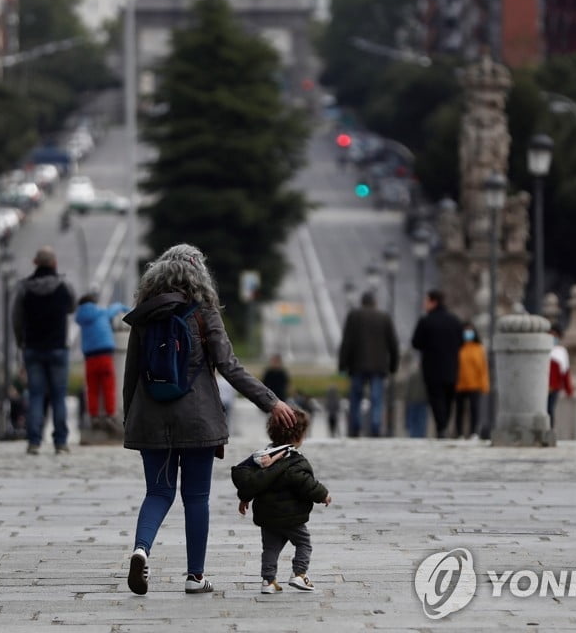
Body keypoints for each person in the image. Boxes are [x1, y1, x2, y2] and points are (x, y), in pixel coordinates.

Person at [121, 244, 297, 596]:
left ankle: (141, 550)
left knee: (158, 492)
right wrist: (271, 401)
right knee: (196, 498)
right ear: (199, 275)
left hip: (152, 419)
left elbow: (131, 374)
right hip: (197, 419)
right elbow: (230, 368)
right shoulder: (203, 313)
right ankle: (195, 577)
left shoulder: (144, 314)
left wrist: (131, 419)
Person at [231, 409, 331, 594]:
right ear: (300, 435)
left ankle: (268, 581)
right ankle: (299, 574)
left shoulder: (263, 458)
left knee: (270, 548)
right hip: (291, 517)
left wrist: (244, 498)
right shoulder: (294, 462)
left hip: (267, 516)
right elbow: (307, 484)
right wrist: (323, 495)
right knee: (303, 543)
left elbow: (256, 482)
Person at [12, 246, 77, 455]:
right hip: (58, 347)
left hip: (32, 347)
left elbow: (16, 318)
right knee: (59, 396)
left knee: (36, 395)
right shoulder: (63, 285)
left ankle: (34, 441)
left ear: (35, 263)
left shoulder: (24, 288)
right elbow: (72, 306)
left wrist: (20, 340)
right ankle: (60, 442)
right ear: (54, 264)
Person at [338, 291, 399, 437]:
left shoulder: (354, 316)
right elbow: (393, 344)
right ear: (374, 302)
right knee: (377, 398)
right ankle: (375, 427)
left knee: (356, 397)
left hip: (357, 365)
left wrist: (342, 364)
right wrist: (393, 365)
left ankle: (355, 427)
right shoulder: (384, 317)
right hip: (379, 366)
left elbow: (347, 341)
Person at [411, 290, 463, 438]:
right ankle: (444, 424)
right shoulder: (454, 321)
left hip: (432, 368)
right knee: (448, 398)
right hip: (451, 367)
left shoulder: (426, 321)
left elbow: (416, 343)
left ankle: (441, 427)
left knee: (436, 398)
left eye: (426, 301)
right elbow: (461, 342)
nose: (424, 304)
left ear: (433, 302)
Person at [74, 291, 129, 430]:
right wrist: (126, 308)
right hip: (105, 355)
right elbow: (115, 308)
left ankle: (94, 417)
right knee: (108, 386)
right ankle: (110, 415)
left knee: (92, 389)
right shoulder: (101, 313)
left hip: (90, 357)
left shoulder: (80, 317)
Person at [454, 323, 488, 439]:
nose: (468, 334)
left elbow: (483, 368)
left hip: (475, 384)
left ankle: (474, 432)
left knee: (474, 409)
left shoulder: (478, 348)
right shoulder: (458, 347)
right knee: (459, 410)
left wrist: (484, 385)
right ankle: (459, 433)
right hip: (460, 384)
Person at [547, 325, 573, 429]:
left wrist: (568, 390)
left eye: (555, 335)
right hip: (541, 387)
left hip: (554, 387)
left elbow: (565, 372)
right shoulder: (541, 349)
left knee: (550, 409)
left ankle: (550, 430)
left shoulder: (561, 352)